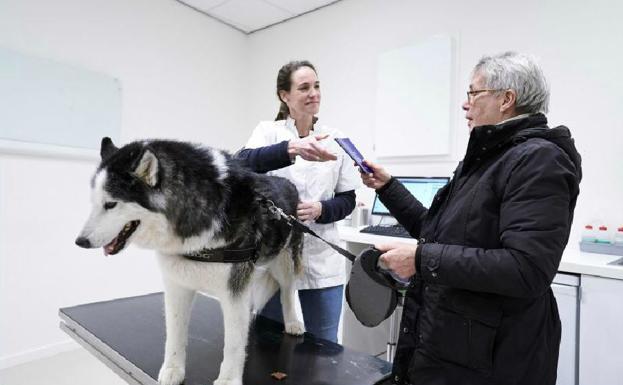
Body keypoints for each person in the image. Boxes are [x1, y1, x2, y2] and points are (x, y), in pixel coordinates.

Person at [360, 52, 582, 385]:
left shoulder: (539, 160)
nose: (466, 104)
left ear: (506, 99)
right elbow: (436, 232)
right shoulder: (487, 158)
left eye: (473, 93)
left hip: (493, 358)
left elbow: (526, 269)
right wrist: (388, 188)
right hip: (454, 345)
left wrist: (421, 259)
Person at [236, 60, 360, 343]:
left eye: (316, 86)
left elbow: (348, 199)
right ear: (285, 95)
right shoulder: (268, 132)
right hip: (273, 256)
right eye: (304, 87)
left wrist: (322, 209)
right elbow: (240, 163)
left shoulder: (335, 139)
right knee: (269, 344)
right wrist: (292, 149)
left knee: (324, 345)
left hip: (321, 258)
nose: (313, 93)